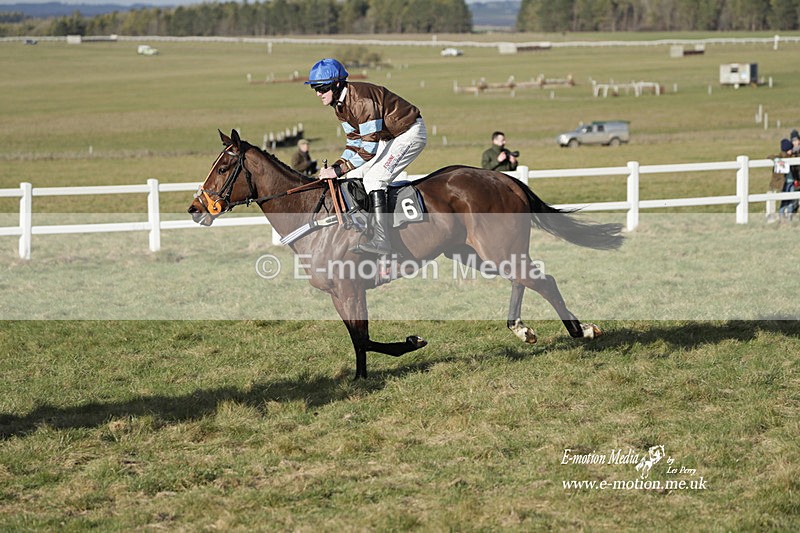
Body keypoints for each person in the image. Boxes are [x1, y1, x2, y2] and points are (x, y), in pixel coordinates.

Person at [306, 58, 427, 255]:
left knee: (374, 179)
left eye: (322, 88)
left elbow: (369, 148)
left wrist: (338, 170)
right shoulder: (340, 105)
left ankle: (382, 240)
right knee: (353, 175)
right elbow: (354, 142)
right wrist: (337, 167)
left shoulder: (361, 101)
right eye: (315, 89)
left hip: (409, 133)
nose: (318, 93)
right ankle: (365, 227)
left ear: (337, 84)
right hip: (388, 137)